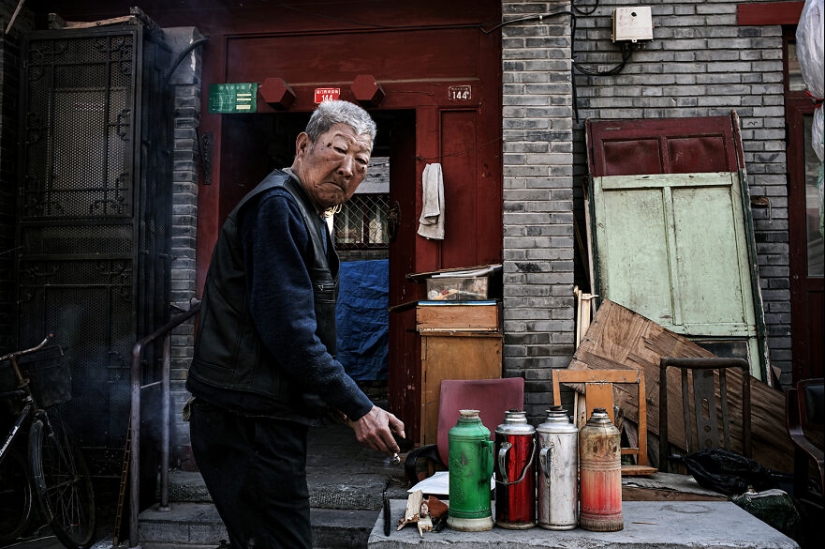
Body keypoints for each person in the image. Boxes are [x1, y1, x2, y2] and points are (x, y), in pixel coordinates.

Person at [185, 100, 405, 549]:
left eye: (361, 162)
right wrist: (359, 406)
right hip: (247, 419)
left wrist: (338, 404)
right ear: (304, 144)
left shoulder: (307, 212)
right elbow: (287, 329)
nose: (348, 169)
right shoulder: (278, 207)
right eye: (338, 150)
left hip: (263, 415)